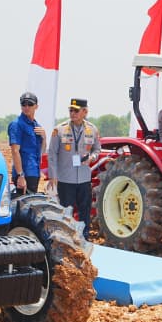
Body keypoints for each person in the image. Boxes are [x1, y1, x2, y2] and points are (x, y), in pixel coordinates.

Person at [47, 98, 100, 238]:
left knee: (85, 211)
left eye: (76, 111)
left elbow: (97, 150)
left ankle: (84, 237)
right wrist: (53, 175)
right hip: (66, 179)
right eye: (70, 110)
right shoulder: (59, 129)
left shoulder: (92, 129)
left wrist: (92, 158)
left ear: (85, 112)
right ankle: (66, 238)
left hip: (84, 178)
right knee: (66, 211)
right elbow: (52, 154)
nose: (73, 113)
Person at [8, 91, 46, 193]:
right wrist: (20, 175)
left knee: (32, 200)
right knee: (23, 202)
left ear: (36, 106)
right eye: (24, 104)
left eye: (30, 104)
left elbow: (42, 151)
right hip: (24, 174)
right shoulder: (17, 124)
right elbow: (15, 151)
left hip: (34, 172)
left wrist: (44, 137)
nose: (27, 107)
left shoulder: (36, 126)